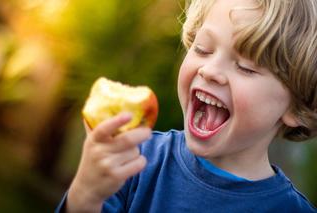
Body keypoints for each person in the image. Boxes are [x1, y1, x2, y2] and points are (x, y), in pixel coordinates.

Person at [56, 0, 317, 212]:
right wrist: (85, 196)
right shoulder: (134, 162)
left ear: (297, 106)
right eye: (202, 49)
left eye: (246, 67)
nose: (210, 70)